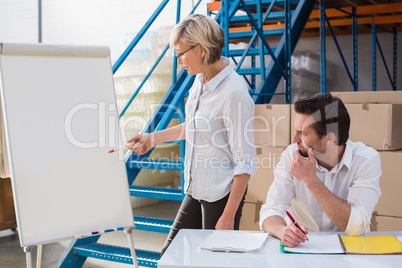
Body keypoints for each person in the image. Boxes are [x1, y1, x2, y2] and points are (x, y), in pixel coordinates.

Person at [127, 14, 256, 254]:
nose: (179, 61)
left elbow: (245, 163)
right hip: (195, 189)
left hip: (220, 196)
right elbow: (195, 127)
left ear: (202, 49)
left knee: (210, 262)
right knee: (171, 255)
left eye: (181, 53)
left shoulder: (234, 93)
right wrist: (151, 138)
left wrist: (228, 217)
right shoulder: (199, 80)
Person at [259, 93, 382, 248]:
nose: (294, 139)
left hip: (350, 249)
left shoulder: (366, 160)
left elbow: (357, 225)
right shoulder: (292, 155)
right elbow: (271, 210)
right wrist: (282, 230)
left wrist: (310, 180)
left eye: (303, 133)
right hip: (304, 248)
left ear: (329, 138)